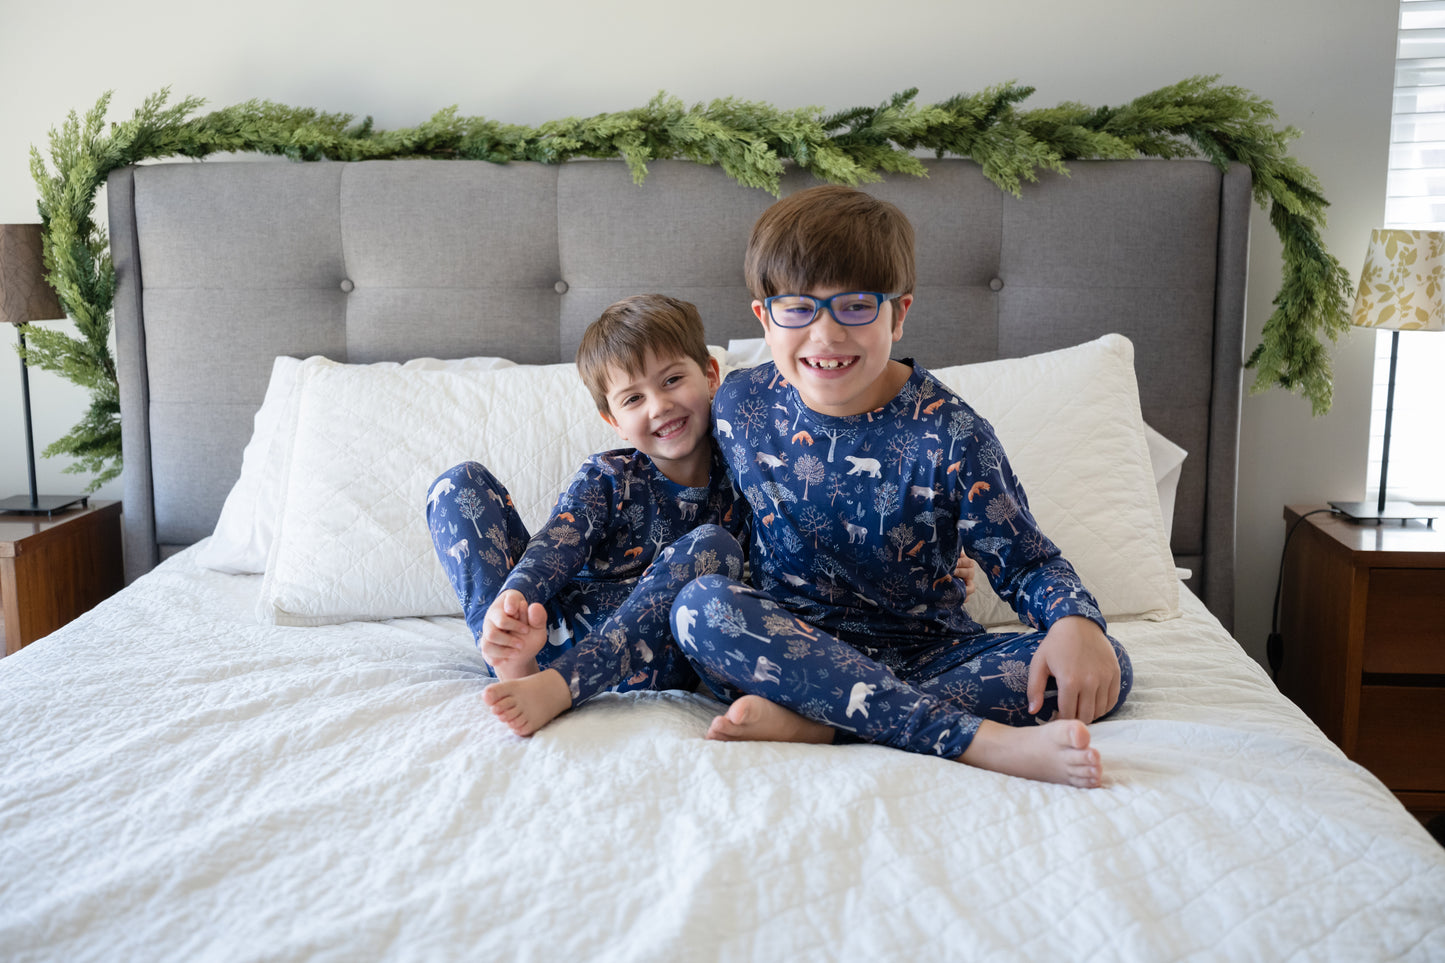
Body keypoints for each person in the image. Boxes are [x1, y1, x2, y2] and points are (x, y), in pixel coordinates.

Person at [669, 185, 1133, 788]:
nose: (827, 335)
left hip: (926, 651)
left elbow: (1026, 561)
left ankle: (826, 723)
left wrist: (1076, 620)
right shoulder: (738, 402)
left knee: (1106, 667)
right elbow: (708, 514)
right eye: (799, 308)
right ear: (765, 316)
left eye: (856, 306)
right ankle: (976, 742)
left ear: (899, 312)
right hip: (788, 651)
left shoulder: (953, 433)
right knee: (699, 607)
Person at [427, 294, 749, 730]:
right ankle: (505, 654)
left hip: (646, 656)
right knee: (458, 483)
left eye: (672, 380)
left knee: (714, 545)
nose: (658, 406)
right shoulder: (610, 476)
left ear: (710, 375)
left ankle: (556, 686)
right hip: (545, 628)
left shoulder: (746, 474)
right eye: (633, 399)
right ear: (612, 418)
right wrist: (515, 600)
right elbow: (557, 546)